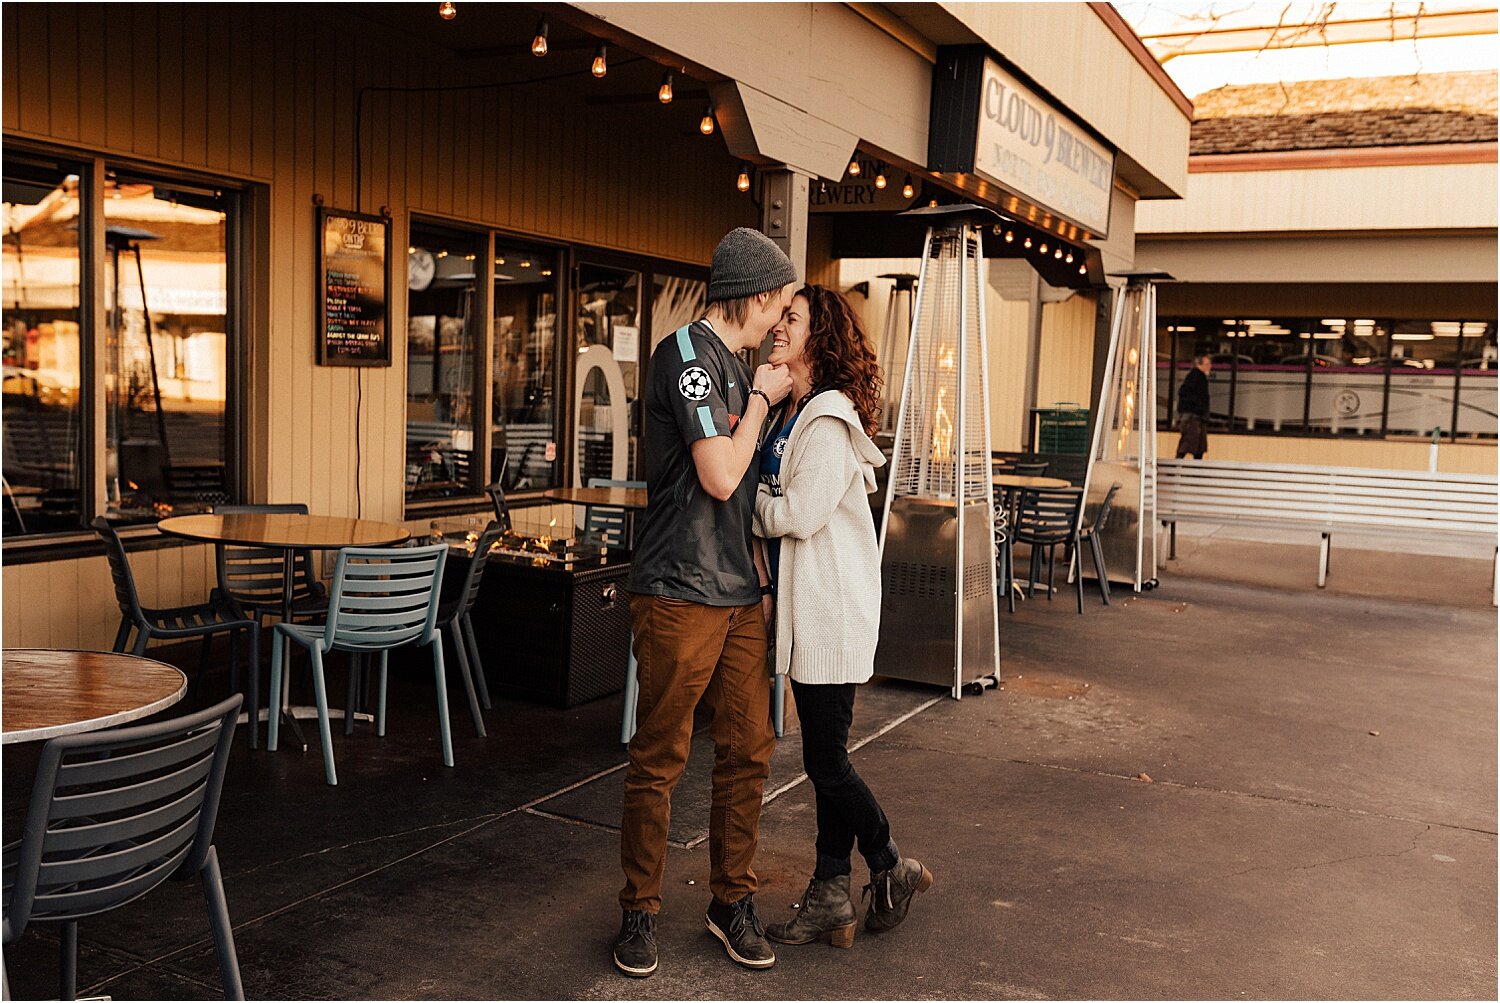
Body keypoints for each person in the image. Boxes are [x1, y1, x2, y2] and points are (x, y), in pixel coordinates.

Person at [612, 227, 797, 979]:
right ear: (754, 295)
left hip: (737, 590)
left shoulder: (738, 363)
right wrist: (760, 398)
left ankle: (731, 901)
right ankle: (639, 910)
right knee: (661, 755)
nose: (782, 320)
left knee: (749, 749)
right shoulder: (686, 356)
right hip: (679, 588)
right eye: (780, 303)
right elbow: (720, 475)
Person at [753, 285, 934, 951]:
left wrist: (747, 503)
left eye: (791, 318)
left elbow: (795, 512)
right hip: (814, 611)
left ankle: (888, 861)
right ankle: (831, 890)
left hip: (830, 611)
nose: (779, 325)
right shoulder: (797, 411)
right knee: (827, 756)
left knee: (826, 760)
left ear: (817, 339)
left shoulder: (827, 420)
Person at [1176, 353, 1212, 459]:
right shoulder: (1195, 376)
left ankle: (1194, 470)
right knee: (1189, 443)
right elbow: (1184, 393)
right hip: (1193, 417)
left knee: (1197, 446)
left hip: (1197, 417)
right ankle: (1177, 467)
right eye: (1207, 364)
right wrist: (1198, 406)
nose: (1210, 366)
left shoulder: (1197, 376)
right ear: (1199, 364)